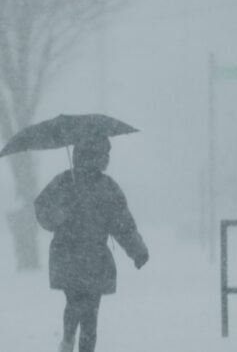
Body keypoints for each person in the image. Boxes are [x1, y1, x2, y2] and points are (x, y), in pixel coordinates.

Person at [34, 135, 149, 352]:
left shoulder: (64, 182)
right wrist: (137, 250)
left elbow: (41, 209)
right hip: (93, 259)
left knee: (76, 302)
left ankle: (68, 340)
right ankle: (80, 346)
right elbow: (123, 225)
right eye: (105, 154)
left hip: (67, 257)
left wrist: (59, 215)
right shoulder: (106, 187)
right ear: (100, 157)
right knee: (90, 311)